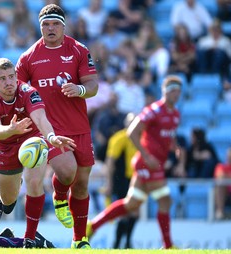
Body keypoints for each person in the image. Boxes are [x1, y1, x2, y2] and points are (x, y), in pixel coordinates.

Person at [15, 4, 99, 249]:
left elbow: (93, 85)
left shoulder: (79, 50)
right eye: (45, 24)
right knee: (66, 172)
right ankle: (60, 196)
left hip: (79, 125)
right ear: (39, 26)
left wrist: (79, 89)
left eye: (55, 24)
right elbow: (18, 91)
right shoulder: (28, 57)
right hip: (48, 129)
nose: (50, 29)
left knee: (82, 183)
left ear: (64, 25)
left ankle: (79, 239)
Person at [0, 58, 75, 247]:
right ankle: (15, 179)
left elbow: (40, 118)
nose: (9, 82)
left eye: (11, 77)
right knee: (7, 203)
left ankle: (29, 238)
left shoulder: (27, 91)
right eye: (3, 79)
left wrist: (52, 137)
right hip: (5, 146)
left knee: (35, 182)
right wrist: (11, 130)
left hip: (33, 140)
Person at [86, 75, 183, 249]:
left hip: (154, 163)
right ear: (165, 92)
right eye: (173, 90)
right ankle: (168, 245)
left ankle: (92, 226)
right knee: (165, 200)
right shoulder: (154, 110)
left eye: (179, 91)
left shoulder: (175, 114)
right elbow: (132, 131)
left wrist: (175, 148)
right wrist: (146, 155)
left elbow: (168, 136)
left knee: (131, 204)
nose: (176, 94)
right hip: (147, 164)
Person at [90, 113, 138, 249]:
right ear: (126, 123)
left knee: (134, 212)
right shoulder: (119, 138)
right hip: (121, 180)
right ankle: (120, 243)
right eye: (131, 122)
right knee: (126, 212)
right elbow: (110, 163)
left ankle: (125, 242)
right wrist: (109, 183)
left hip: (135, 179)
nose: (133, 124)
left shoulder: (140, 137)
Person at [214, 147, 231, 220]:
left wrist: (225, 175)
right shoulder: (220, 166)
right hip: (226, 192)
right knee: (220, 184)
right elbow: (219, 176)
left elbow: (223, 175)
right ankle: (220, 212)